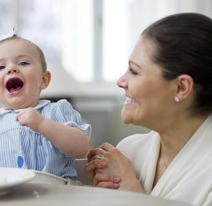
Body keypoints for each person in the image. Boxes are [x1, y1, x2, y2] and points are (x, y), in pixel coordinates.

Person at [85, 12, 212, 205]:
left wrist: (130, 190)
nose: (121, 81)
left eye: (134, 71)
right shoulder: (128, 152)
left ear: (181, 87)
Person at [0, 35, 91, 179]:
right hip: (1, 196)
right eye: (0, 67)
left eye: (23, 63)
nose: (11, 68)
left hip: (53, 194)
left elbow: (81, 147)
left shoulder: (56, 112)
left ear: (44, 80)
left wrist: (43, 124)